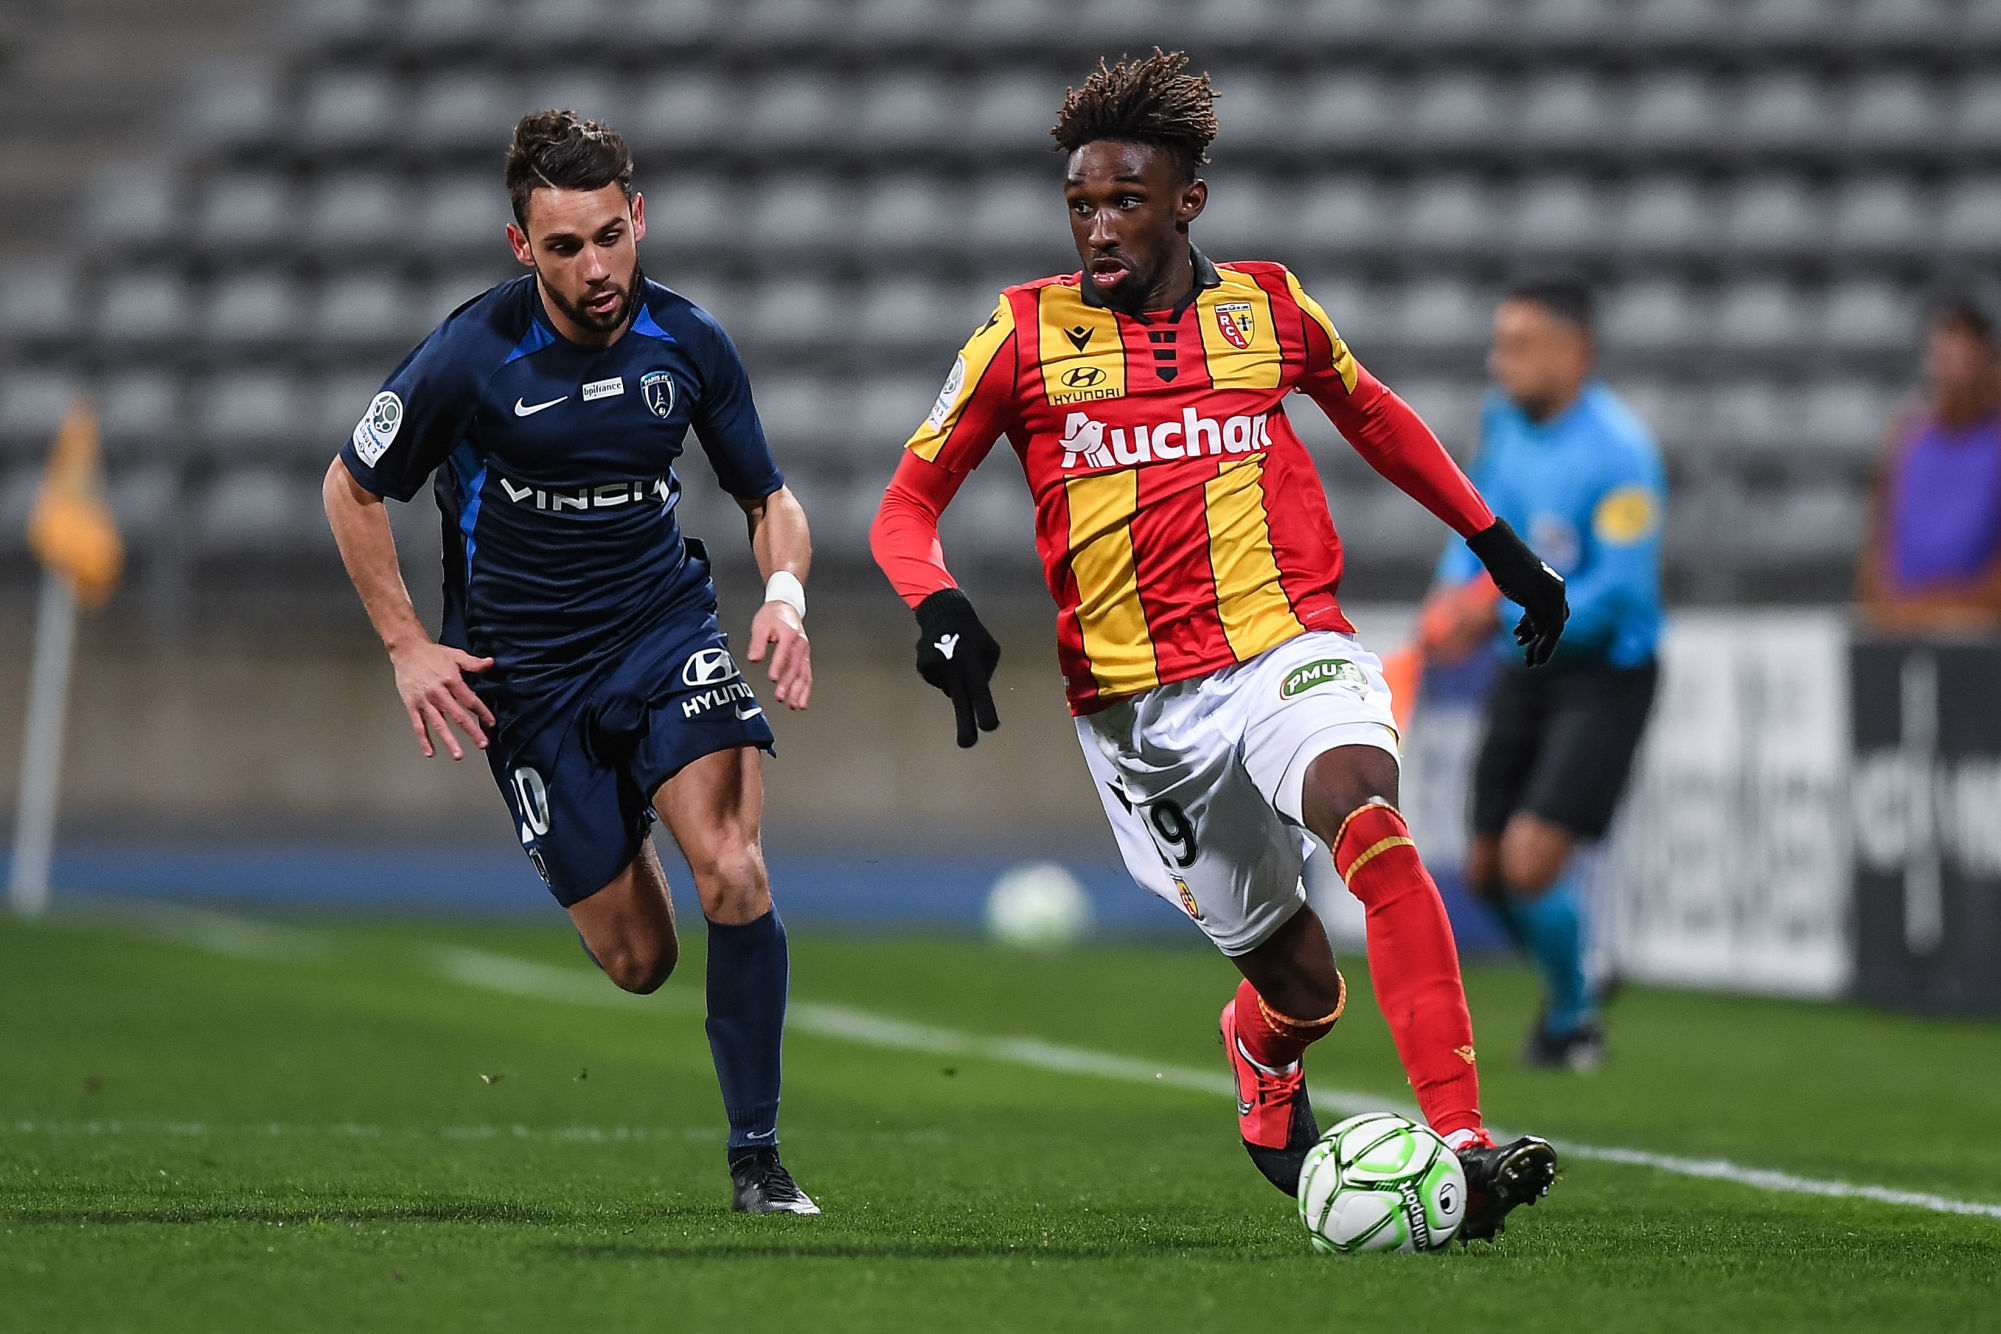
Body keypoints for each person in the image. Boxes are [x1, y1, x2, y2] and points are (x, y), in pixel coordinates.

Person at [869, 51, 1569, 1240]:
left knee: (1372, 820)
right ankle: (1260, 1051)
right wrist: (937, 604)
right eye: (1081, 203)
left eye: (1124, 200)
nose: (1098, 225)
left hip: (1285, 641)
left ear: (1187, 200)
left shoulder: (1270, 308)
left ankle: (1461, 1135)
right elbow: (902, 508)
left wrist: (1498, 545)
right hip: (1143, 716)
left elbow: (1379, 417)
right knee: (1299, 986)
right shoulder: (1019, 334)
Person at [323, 111, 819, 1214]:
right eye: (564, 247)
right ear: (522, 249)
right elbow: (350, 487)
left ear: (637, 218)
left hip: (664, 631)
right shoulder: (471, 356)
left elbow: (768, 500)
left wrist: (783, 594)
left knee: (734, 868)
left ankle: (758, 1161)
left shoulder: (689, 344)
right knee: (641, 958)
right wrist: (408, 646)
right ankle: (618, 800)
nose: (596, 268)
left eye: (610, 236)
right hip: (530, 682)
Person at [1419, 276, 1665, 1072]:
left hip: (1601, 675)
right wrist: (1450, 598)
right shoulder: (1504, 423)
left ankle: (1573, 1018)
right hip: (1524, 665)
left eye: (1520, 347)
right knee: (1486, 872)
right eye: (1499, 344)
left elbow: (1617, 596)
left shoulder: (1621, 454)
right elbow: (1477, 525)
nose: (1502, 363)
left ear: (1574, 352)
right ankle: (1579, 975)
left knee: (1528, 860)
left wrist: (1490, 610)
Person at [1858, 292, 2001, 633]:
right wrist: (1891, 609)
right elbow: (1877, 545)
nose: (1953, 363)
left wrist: (1956, 607)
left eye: (1966, 350)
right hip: (1901, 627)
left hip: (1980, 636)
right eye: (1943, 349)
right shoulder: (1906, 436)